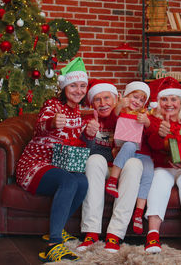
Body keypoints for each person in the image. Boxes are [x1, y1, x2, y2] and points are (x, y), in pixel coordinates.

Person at [15, 57, 89, 262]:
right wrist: (51, 123)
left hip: (57, 165)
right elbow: (40, 126)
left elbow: (76, 137)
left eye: (83, 86)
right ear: (64, 87)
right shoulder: (52, 105)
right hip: (34, 165)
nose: (79, 90)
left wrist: (88, 132)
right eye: (73, 85)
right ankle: (54, 244)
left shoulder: (77, 111)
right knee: (69, 180)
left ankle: (58, 228)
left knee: (82, 181)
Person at [77, 79, 144, 253]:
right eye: (97, 100)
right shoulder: (87, 120)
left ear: (117, 99)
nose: (103, 103)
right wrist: (89, 136)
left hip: (120, 169)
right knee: (94, 160)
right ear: (92, 104)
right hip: (99, 167)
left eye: (107, 98)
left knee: (135, 164)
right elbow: (85, 153)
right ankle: (91, 232)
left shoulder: (130, 115)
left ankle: (115, 234)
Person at [143, 77, 181, 255]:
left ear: (180, 101)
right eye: (164, 99)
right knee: (159, 181)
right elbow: (152, 144)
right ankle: (152, 234)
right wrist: (161, 135)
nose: (169, 103)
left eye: (173, 99)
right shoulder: (152, 120)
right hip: (162, 167)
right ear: (158, 102)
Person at [106, 81, 154, 234]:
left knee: (148, 173)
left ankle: (138, 214)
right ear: (127, 96)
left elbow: (152, 137)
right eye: (135, 97)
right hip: (127, 151)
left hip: (144, 154)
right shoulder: (120, 112)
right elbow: (112, 122)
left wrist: (147, 123)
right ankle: (113, 180)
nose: (137, 101)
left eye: (141, 100)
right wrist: (119, 106)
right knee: (129, 145)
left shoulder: (145, 116)